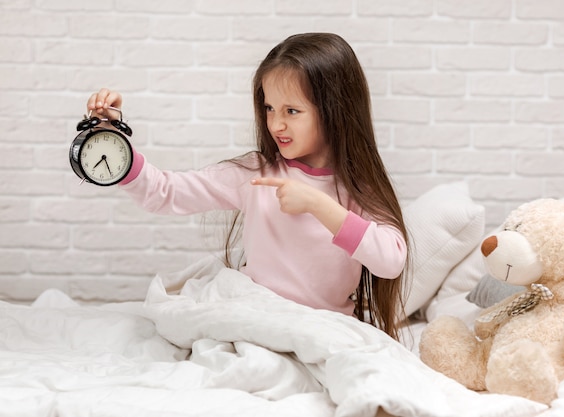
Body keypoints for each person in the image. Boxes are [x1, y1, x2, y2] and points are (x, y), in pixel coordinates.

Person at [87, 32, 409, 340]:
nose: (276, 124)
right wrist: (112, 140)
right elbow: (165, 193)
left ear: (335, 110)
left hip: (325, 325)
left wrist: (318, 204)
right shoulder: (256, 174)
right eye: (269, 108)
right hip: (256, 314)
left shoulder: (358, 187)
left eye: (292, 111)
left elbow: (391, 261)